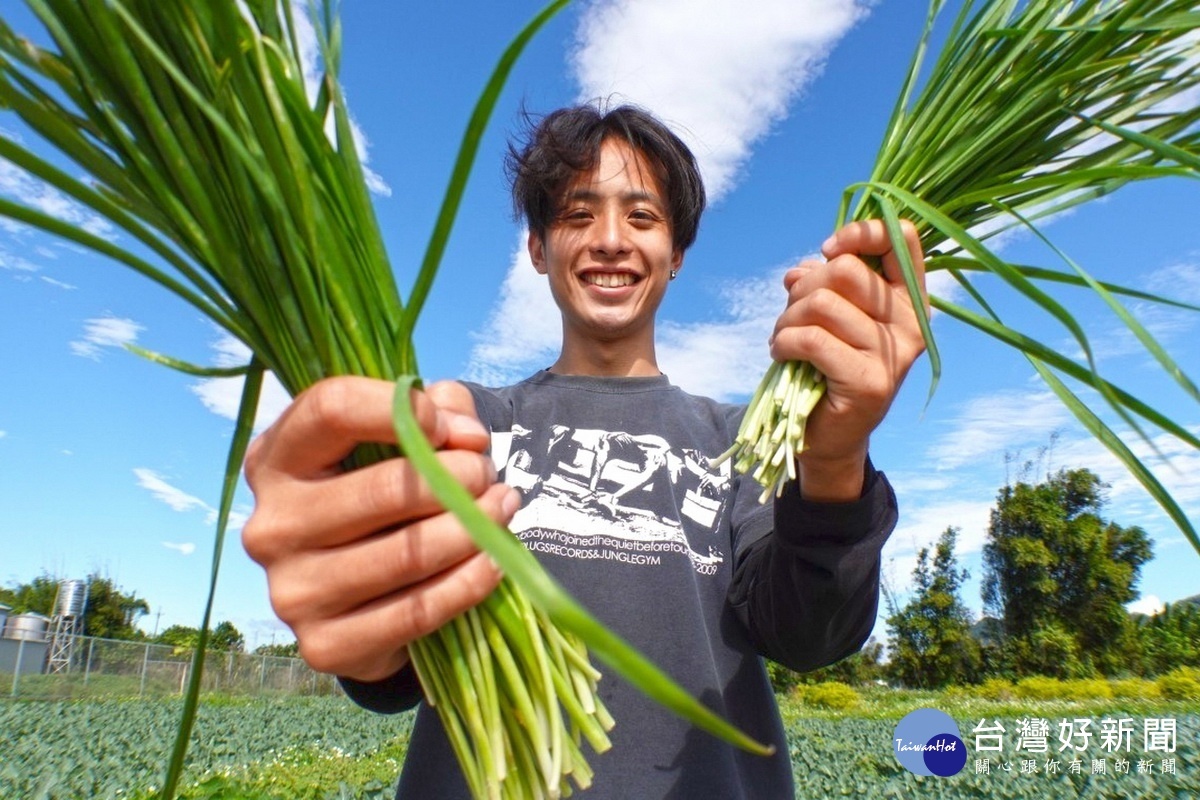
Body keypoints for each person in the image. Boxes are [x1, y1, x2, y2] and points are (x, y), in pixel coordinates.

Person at [241, 103, 927, 798]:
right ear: (538, 249)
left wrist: (837, 459)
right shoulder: (467, 422)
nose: (609, 240)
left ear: (676, 254)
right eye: (576, 215)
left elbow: (808, 632)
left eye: (642, 216)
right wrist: (355, 592)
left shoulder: (739, 441)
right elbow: (395, 664)